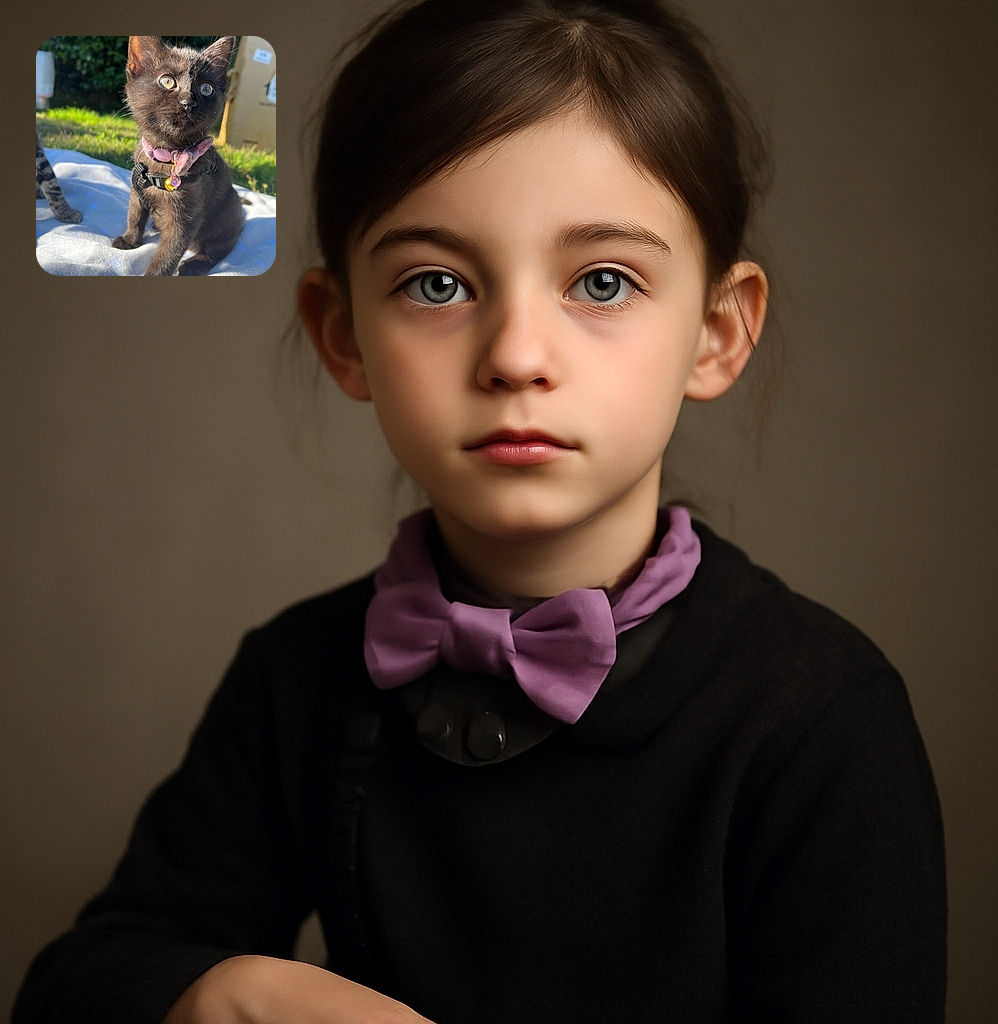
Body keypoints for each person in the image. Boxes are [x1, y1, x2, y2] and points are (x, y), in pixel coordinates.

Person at [13, 1, 946, 1022]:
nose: (513, 355)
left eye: (600, 280)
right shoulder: (295, 679)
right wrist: (227, 991)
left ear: (716, 334)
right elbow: (76, 982)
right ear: (344, 336)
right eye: (436, 283)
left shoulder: (818, 717)